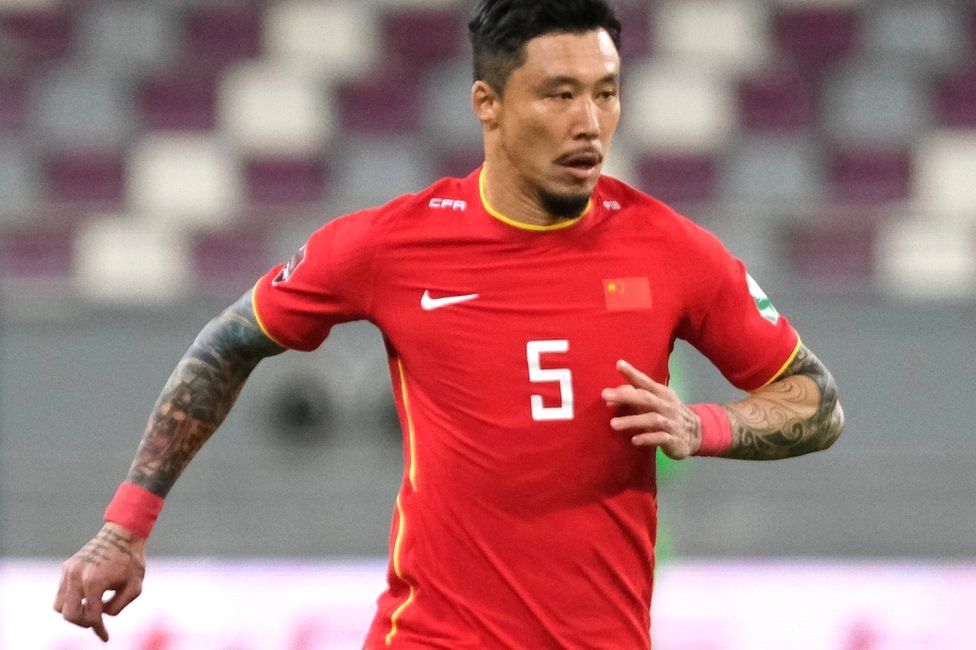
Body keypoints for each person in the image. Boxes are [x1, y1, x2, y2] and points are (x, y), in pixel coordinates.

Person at [55, 0, 845, 647]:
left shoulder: (670, 250)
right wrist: (126, 525)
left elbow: (816, 401)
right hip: (432, 637)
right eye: (558, 94)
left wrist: (706, 425)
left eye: (606, 92)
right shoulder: (391, 246)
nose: (590, 122)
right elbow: (228, 343)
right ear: (487, 105)